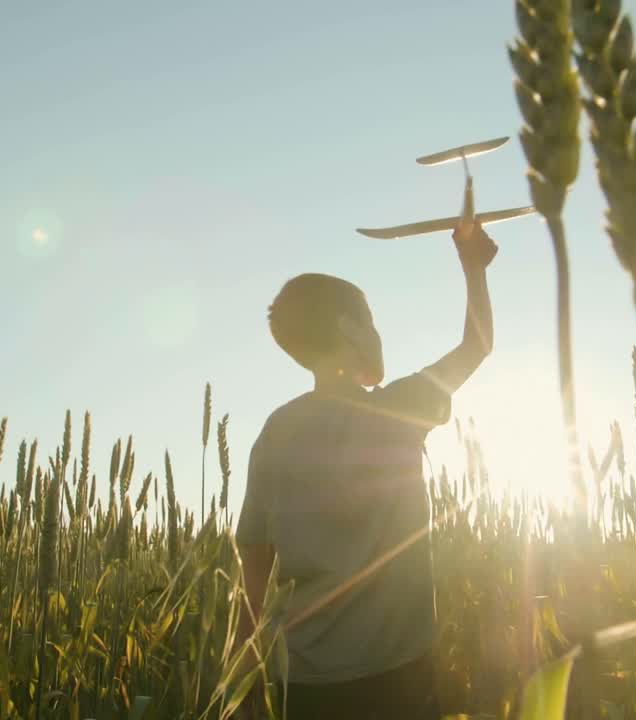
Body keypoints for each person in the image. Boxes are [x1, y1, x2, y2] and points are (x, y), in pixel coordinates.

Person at [235, 179, 498, 720]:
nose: (379, 334)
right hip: (397, 677)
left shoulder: (274, 433)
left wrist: (245, 681)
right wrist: (474, 264)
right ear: (349, 328)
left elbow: (253, 567)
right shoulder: (396, 408)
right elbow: (477, 344)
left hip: (303, 684)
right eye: (371, 321)